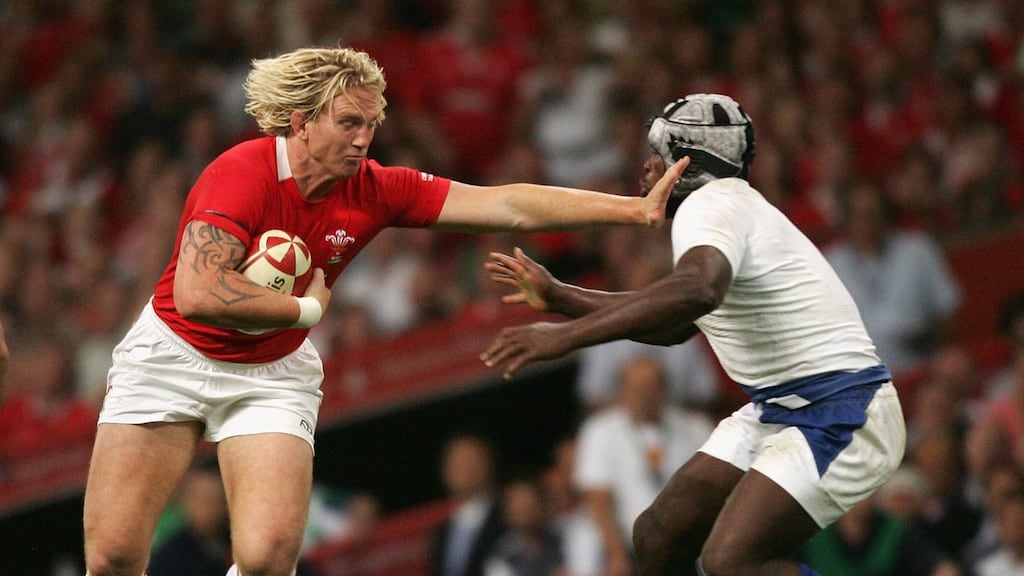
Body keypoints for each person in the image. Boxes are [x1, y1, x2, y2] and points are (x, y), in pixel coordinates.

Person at [82, 46, 685, 576]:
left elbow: (507, 205)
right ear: (302, 124)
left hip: (271, 375)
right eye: (348, 123)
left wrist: (632, 210)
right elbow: (197, 294)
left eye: (371, 124)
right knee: (112, 559)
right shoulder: (240, 172)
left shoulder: (376, 187)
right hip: (173, 356)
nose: (364, 138)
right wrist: (302, 309)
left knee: (267, 558)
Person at [481, 93, 907, 576]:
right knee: (657, 535)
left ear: (686, 163)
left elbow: (697, 291)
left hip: (843, 411)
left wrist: (566, 336)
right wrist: (562, 298)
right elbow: (678, 324)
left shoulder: (709, 205)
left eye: (656, 155)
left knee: (730, 562)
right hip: (786, 408)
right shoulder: (729, 208)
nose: (644, 168)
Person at [573, 356, 713, 576]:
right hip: (634, 550)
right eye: (636, 388)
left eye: (651, 387)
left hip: (695, 544)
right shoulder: (599, 431)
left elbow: (715, 487)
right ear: (621, 391)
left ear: (665, 389)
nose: (644, 395)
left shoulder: (695, 427)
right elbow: (597, 498)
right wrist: (615, 553)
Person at [429, 434, 507, 576]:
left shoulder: (507, 518)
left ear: (488, 464)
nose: (461, 469)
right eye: (454, 461)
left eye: (469, 461)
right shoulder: (441, 533)